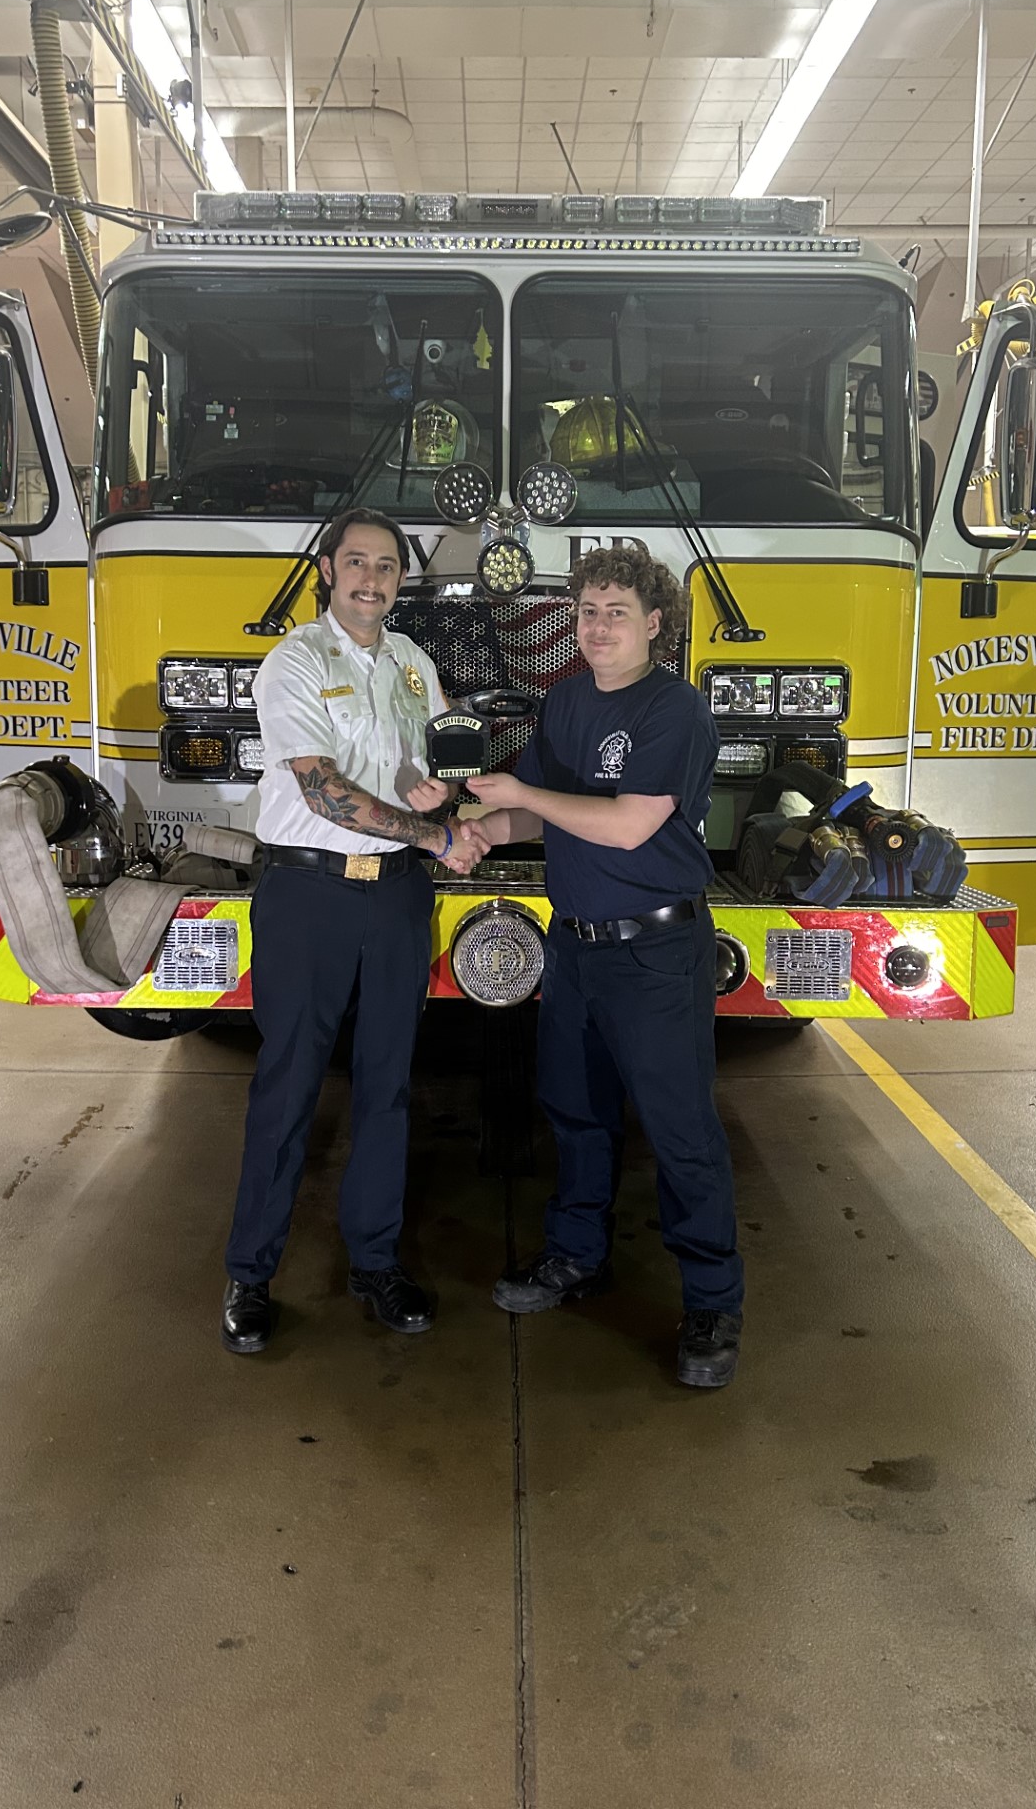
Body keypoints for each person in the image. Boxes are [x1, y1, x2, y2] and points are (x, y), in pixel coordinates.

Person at [466, 546, 744, 1388]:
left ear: (656, 624)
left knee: (679, 1129)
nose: (597, 627)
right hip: (575, 947)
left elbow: (627, 825)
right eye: (587, 611)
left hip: (654, 952)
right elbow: (537, 820)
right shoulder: (565, 701)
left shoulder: (675, 710)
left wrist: (520, 795)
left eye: (616, 612)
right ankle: (577, 1257)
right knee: (576, 1112)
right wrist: (465, 829)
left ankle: (712, 1304)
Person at [221, 507, 486, 1356]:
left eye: (387, 566)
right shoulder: (295, 661)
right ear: (328, 571)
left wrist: (446, 795)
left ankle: (376, 1262)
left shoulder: (412, 661)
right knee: (289, 1081)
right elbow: (323, 791)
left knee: (387, 1083)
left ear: (401, 581)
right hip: (311, 894)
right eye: (358, 563)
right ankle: (250, 1275)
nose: (373, 579)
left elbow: (433, 763)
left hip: (397, 897)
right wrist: (437, 836)